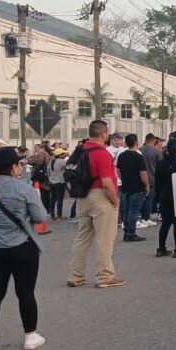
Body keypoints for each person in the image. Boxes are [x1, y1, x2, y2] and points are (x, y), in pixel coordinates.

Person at [0, 146, 47, 350]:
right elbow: (40, 217)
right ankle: (30, 336)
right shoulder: (22, 188)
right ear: (14, 167)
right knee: (25, 292)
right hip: (22, 247)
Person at [69, 120, 126, 289]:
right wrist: (115, 201)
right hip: (100, 196)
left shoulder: (80, 150)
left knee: (83, 237)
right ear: (103, 134)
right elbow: (107, 182)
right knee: (105, 239)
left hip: (82, 197)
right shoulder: (102, 153)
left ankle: (75, 275)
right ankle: (105, 276)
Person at [154, 138, 176, 258]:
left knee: (165, 223)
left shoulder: (161, 163)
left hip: (164, 195)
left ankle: (161, 248)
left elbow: (157, 182)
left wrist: (157, 198)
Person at [116, 134, 150, 243]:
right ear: (136, 142)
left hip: (125, 186)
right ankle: (131, 233)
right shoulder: (138, 156)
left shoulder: (122, 155)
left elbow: (118, 170)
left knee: (126, 210)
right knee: (134, 210)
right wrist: (147, 185)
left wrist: (124, 178)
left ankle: (127, 232)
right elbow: (143, 173)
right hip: (137, 187)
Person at [138, 133, 162, 227]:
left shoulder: (139, 150)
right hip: (152, 178)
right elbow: (160, 166)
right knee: (149, 200)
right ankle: (146, 218)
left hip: (140, 178)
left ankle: (140, 217)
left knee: (141, 199)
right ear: (154, 141)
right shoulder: (157, 152)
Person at [48, 147, 68, 220]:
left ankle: (52, 215)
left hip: (52, 182)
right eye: (63, 154)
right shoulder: (62, 161)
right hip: (60, 182)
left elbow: (48, 172)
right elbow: (67, 168)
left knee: (53, 199)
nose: (64, 155)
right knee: (60, 199)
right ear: (60, 155)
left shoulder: (51, 161)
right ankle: (59, 215)